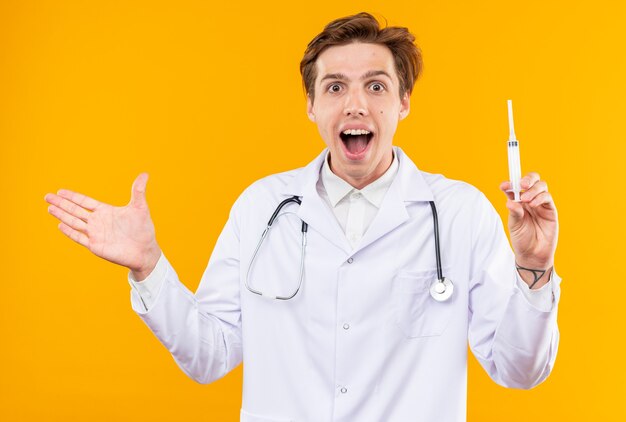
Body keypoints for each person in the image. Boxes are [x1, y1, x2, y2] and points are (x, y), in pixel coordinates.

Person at [44, 12, 560, 422]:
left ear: (404, 102)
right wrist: (149, 266)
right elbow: (210, 355)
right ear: (311, 105)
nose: (355, 104)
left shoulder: (459, 213)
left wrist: (534, 269)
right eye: (335, 87)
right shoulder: (261, 207)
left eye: (376, 86)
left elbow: (518, 370)